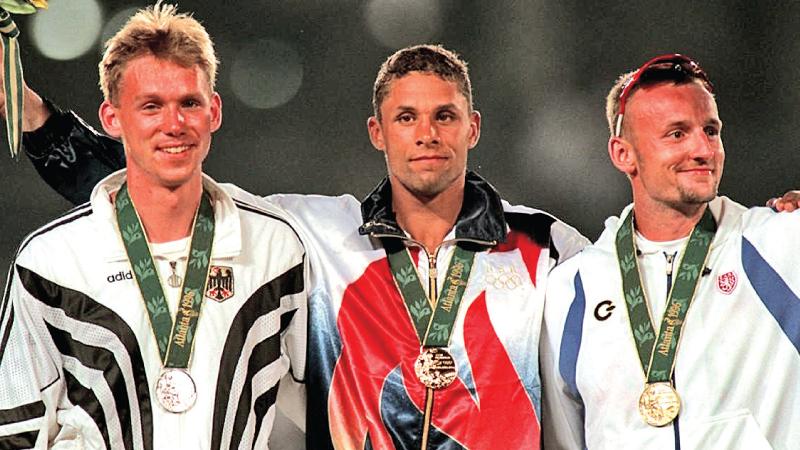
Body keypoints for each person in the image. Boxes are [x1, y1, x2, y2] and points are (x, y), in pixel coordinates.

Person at [2, 32, 589, 448]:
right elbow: (157, 183)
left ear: (473, 126)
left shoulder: (546, 244)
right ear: (376, 132)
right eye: (406, 117)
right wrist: (29, 110)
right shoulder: (311, 236)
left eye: (445, 116)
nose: (427, 135)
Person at [0, 4, 307, 449]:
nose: (174, 124)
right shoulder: (49, 262)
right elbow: (15, 431)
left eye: (189, 103)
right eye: (151, 106)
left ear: (214, 111)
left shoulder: (276, 246)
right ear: (112, 118)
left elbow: (332, 404)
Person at [541, 54, 800, 449]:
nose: (703, 149)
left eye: (711, 131)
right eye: (677, 134)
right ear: (622, 154)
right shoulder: (572, 291)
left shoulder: (779, 245)